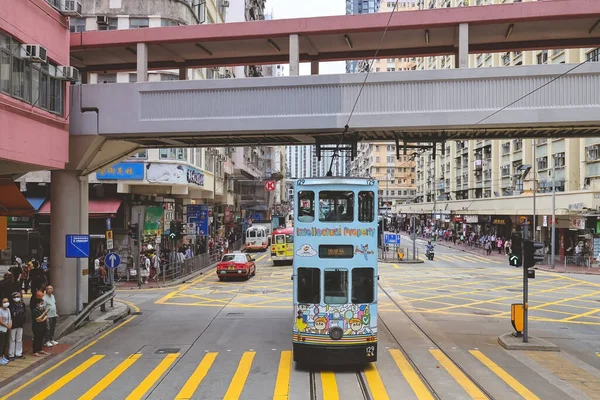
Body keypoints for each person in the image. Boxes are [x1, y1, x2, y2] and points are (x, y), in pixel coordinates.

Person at [8, 292, 25, 360]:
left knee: (19, 339)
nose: (16, 298)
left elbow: (24, 313)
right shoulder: (10, 306)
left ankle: (18, 353)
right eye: (15, 297)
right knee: (12, 339)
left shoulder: (22, 305)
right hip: (13, 325)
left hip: (20, 324)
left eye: (18, 296)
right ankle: (11, 354)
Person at [0, 298, 12, 365]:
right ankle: (0, 357)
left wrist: (10, 325)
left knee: (5, 343)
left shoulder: (8, 309)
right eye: (4, 302)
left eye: (7, 301)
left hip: (7, 329)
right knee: (1, 344)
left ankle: (3, 356)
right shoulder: (0, 310)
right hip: (1, 329)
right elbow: (0, 320)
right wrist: (6, 326)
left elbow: (10, 318)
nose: (6, 303)